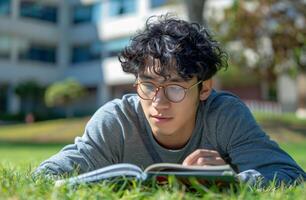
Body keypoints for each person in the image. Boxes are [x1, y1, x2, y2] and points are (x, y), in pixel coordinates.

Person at [34, 15, 305, 186]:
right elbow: (48, 175)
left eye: (175, 87)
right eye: (148, 85)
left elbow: (290, 176)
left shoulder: (225, 116)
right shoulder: (117, 120)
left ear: (204, 88)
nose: (158, 102)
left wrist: (228, 182)